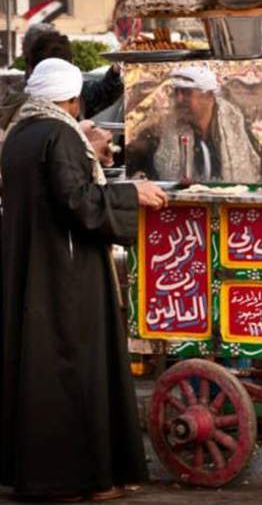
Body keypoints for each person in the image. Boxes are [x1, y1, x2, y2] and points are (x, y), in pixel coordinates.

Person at [0, 57, 167, 501]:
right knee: (74, 369)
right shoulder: (59, 134)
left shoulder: (21, 132)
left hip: (33, 271)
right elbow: (79, 203)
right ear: (71, 99)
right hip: (66, 276)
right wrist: (131, 192)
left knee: (41, 369)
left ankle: (37, 475)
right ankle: (75, 480)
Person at [127, 65, 262, 182]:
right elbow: (133, 166)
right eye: (176, 92)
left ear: (208, 96)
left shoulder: (235, 129)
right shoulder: (158, 133)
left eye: (186, 93)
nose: (179, 99)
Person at [0, 29, 124, 131]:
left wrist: (116, 71)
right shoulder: (20, 113)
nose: (75, 108)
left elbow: (101, 93)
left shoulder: (76, 93)